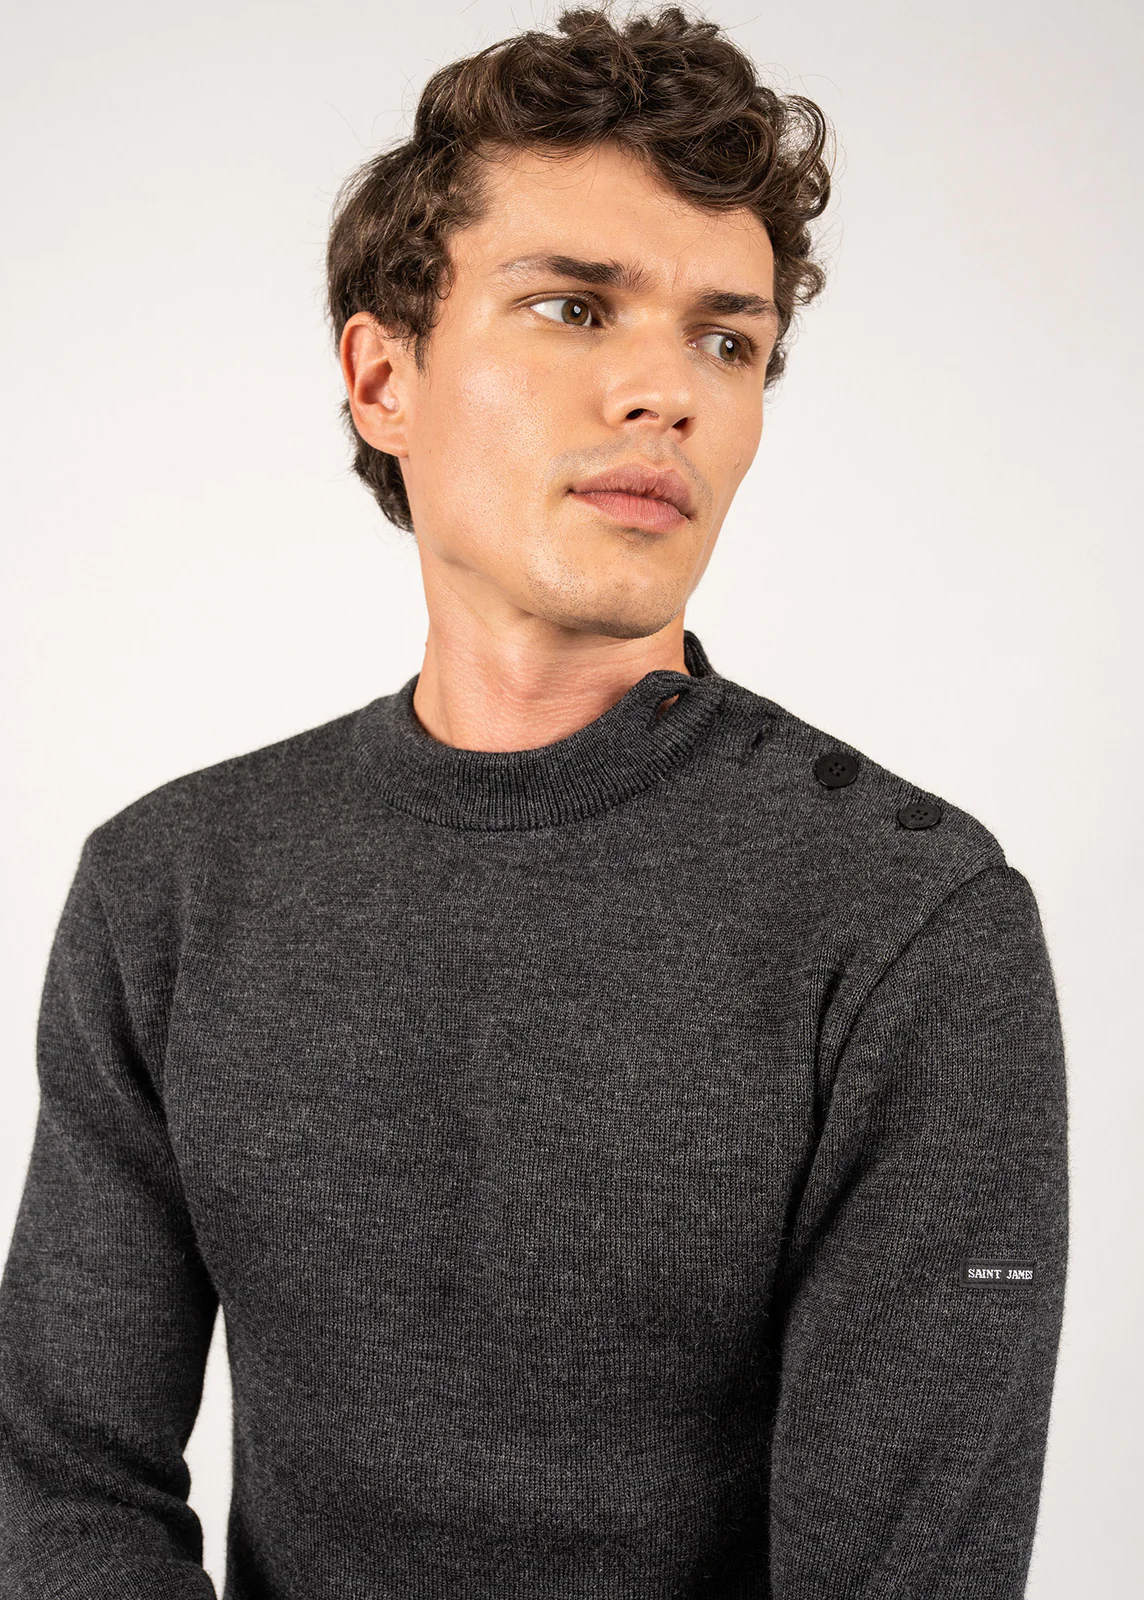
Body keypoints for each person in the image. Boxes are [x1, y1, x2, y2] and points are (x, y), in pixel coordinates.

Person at [0, 6, 1069, 1598]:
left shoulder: (911, 921)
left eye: (727, 341)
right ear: (383, 376)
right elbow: (64, 1482)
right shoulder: (171, 884)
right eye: (574, 306)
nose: (666, 391)